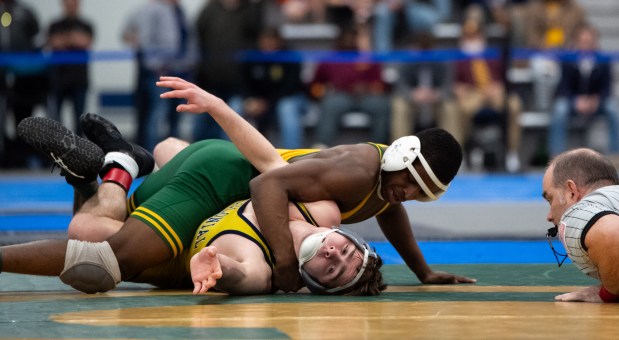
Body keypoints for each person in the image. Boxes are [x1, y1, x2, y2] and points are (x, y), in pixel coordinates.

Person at [157, 76, 476, 292]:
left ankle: (162, 154)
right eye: (410, 181)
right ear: (400, 156)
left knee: (170, 154)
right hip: (241, 178)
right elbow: (268, 183)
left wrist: (423, 272)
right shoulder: (356, 171)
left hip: (251, 194)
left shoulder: (386, 183)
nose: (407, 194)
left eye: (420, 192)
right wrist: (284, 262)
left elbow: (390, 212)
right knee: (156, 234)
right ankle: (132, 162)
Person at [5, 118, 385, 295]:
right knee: (93, 244)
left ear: (318, 284)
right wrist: (216, 105)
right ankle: (116, 166)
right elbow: (271, 171)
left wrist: (218, 269)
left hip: (190, 207)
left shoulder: (265, 272)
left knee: (164, 152)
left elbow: (242, 274)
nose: (334, 252)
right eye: (346, 248)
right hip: (211, 186)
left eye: (332, 267)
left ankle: (113, 167)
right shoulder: (322, 212)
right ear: (342, 233)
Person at [542, 148, 619, 303]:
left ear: (571, 191)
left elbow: (611, 236)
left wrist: (609, 293)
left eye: (550, 199)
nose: (549, 216)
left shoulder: (576, 212)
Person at [121, 0, 198, 151]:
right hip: (160, 72)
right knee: (157, 114)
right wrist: (155, 65)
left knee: (176, 114)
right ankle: (151, 156)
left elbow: (188, 40)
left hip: (180, 71)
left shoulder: (180, 11)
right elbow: (143, 39)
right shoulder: (151, 10)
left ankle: (175, 155)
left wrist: (191, 62)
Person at [310, 26, 391, 147]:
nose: (349, 41)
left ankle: (380, 147)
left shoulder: (369, 57)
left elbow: (380, 85)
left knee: (381, 105)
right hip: (341, 95)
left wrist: (369, 85)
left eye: (352, 38)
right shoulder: (331, 57)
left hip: (367, 96)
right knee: (331, 104)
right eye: (346, 38)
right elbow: (316, 83)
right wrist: (319, 94)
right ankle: (321, 145)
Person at [547, 24, 619, 157]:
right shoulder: (568, 59)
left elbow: (607, 88)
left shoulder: (603, 60)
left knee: (613, 109)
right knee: (559, 110)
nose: (586, 45)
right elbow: (563, 87)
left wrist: (596, 100)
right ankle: (556, 157)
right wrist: (575, 101)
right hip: (572, 101)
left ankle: (615, 156)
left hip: (596, 102)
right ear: (576, 42)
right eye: (583, 42)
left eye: (589, 42)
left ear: (595, 43)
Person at [239, 27, 308, 149]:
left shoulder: (290, 57)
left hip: (289, 98)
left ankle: (293, 156)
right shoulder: (251, 57)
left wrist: (266, 103)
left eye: (272, 41)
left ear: (279, 41)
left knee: (287, 108)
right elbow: (242, 83)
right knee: (235, 105)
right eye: (265, 41)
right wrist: (250, 99)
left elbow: (290, 87)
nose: (268, 44)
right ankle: (231, 154)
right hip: (257, 99)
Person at [46, 0, 94, 135]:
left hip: (79, 80)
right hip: (58, 80)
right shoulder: (55, 25)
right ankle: (56, 152)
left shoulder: (85, 25)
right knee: (55, 121)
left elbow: (85, 42)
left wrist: (65, 41)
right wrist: (73, 40)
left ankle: (79, 154)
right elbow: (54, 43)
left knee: (81, 120)